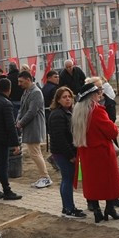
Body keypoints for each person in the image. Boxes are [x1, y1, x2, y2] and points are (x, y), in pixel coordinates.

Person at [72, 82, 119, 222]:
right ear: (92, 96)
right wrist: (115, 127)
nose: (99, 95)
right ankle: (110, 208)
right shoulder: (97, 111)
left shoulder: (78, 112)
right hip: (102, 152)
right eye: (97, 93)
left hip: (86, 152)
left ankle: (96, 210)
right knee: (109, 181)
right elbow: (111, 132)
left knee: (92, 182)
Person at [47, 86, 84, 217]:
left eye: (69, 96)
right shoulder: (58, 114)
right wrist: (70, 155)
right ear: (58, 100)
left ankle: (67, 207)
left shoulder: (67, 112)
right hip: (62, 153)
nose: (68, 99)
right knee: (67, 179)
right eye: (64, 97)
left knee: (67, 179)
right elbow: (60, 138)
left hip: (66, 151)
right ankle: (69, 208)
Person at [15, 70, 51, 189]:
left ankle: (45, 177)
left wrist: (21, 122)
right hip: (29, 127)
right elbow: (22, 109)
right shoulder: (26, 92)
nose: (19, 84)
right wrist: (18, 120)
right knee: (35, 153)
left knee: (35, 153)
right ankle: (43, 176)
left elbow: (32, 111)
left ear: (28, 80)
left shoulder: (36, 92)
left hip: (34, 127)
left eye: (21, 81)